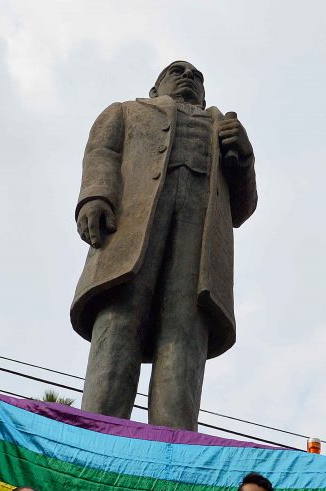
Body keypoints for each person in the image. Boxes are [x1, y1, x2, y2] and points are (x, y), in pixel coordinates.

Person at [72, 60, 259, 431]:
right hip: (131, 231)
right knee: (120, 321)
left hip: (199, 239)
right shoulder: (126, 111)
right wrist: (96, 196)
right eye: (178, 71)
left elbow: (242, 207)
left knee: (185, 329)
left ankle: (174, 440)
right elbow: (102, 153)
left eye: (197, 77)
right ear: (155, 88)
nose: (189, 77)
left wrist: (244, 157)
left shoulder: (222, 128)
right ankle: (98, 430)